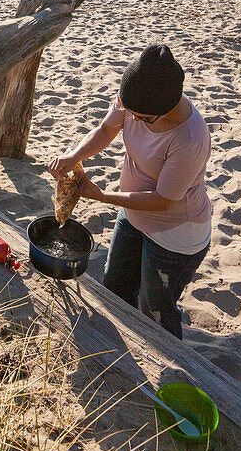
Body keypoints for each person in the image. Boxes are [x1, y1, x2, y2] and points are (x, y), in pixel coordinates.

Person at [48, 44, 211, 340]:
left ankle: (176, 370)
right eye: (129, 112)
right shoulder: (134, 96)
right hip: (133, 215)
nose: (133, 120)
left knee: (156, 312)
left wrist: (102, 197)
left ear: (166, 109)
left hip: (175, 235)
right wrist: (73, 156)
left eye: (143, 118)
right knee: (115, 287)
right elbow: (105, 130)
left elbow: (162, 201)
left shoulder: (190, 137)